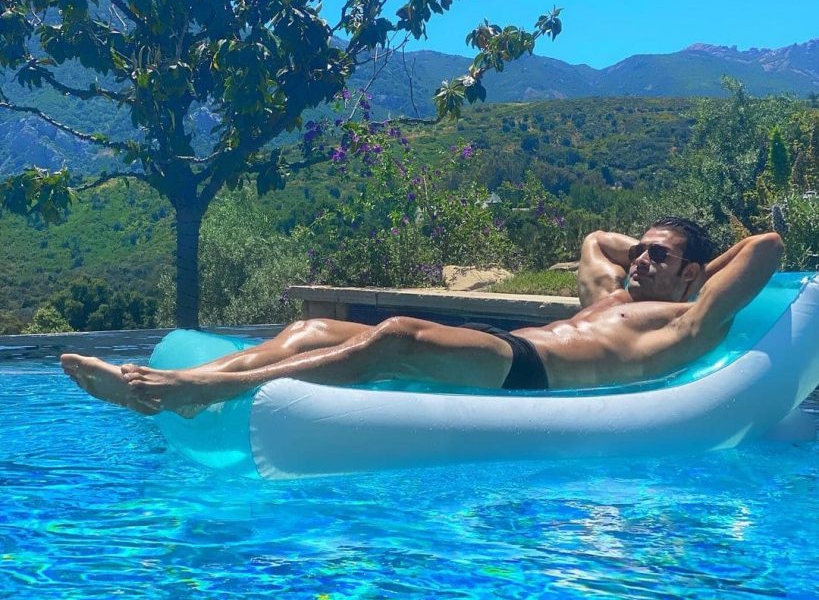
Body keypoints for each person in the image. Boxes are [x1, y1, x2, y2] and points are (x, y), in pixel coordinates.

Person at [61, 217, 784, 416]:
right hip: (500, 347)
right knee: (310, 328)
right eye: (642, 251)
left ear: (694, 272)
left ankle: (201, 390)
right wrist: (651, 256)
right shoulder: (612, 297)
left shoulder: (691, 320)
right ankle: (184, 387)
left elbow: (767, 246)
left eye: (659, 255)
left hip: (537, 375)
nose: (639, 261)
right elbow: (596, 239)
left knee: (398, 334)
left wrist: (693, 274)